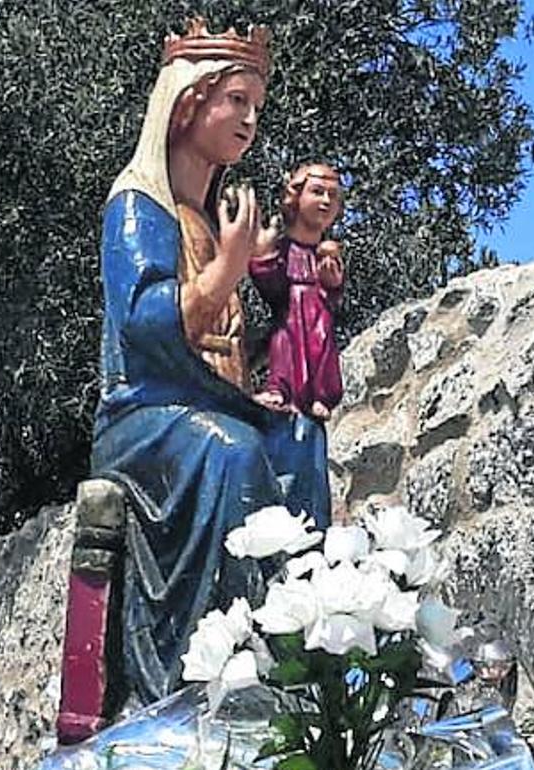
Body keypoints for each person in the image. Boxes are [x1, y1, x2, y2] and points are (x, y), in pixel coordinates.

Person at [90, 18, 331, 707]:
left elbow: (223, 348)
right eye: (236, 101)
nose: (250, 119)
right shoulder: (139, 207)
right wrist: (226, 268)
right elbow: (144, 325)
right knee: (229, 454)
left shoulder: (207, 215)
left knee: (299, 440)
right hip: (144, 412)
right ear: (188, 103)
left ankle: (294, 659)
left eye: (256, 106)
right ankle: (200, 673)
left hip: (205, 406)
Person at [249, 163, 346, 420]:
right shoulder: (282, 249)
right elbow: (271, 288)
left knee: (322, 338)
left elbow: (335, 298)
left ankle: (319, 394)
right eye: (317, 192)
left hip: (317, 315)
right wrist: (263, 256)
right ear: (296, 197)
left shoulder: (326, 253)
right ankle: (281, 388)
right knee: (285, 340)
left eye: (332, 195)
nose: (326, 201)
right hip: (289, 315)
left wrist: (333, 284)